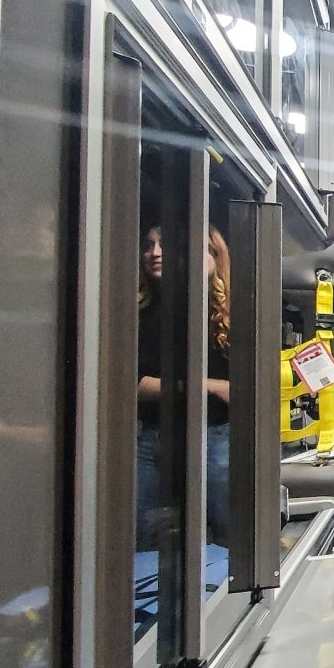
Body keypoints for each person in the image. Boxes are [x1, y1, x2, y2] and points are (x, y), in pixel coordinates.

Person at [136, 223, 232, 549]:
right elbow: (132, 384)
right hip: (152, 434)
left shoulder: (230, 316)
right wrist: (207, 385)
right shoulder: (144, 313)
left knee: (225, 532)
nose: (156, 254)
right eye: (148, 246)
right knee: (148, 534)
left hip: (214, 433)